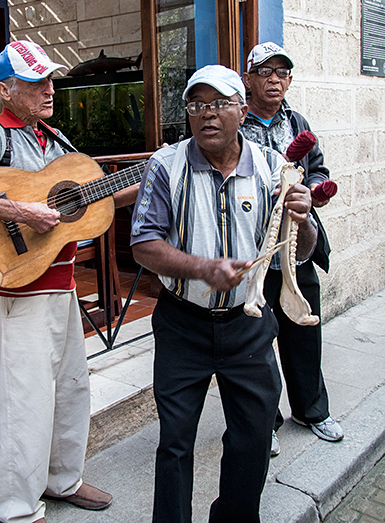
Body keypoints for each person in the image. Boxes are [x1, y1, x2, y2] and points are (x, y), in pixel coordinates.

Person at [0, 40, 138, 523]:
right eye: (35, 83)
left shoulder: (53, 139)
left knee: (71, 388)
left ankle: (62, 478)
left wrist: (159, 172)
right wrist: (18, 210)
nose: (49, 90)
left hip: (61, 287)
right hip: (18, 292)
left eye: (49, 80)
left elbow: (97, 199)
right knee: (26, 401)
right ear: (5, 90)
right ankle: (19, 509)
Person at [130, 64, 317, 523]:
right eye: (196, 105)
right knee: (175, 442)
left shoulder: (273, 168)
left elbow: (298, 250)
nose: (206, 115)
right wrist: (202, 267)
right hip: (182, 326)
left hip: (248, 327)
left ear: (241, 109)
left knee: (252, 437)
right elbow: (143, 246)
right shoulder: (165, 165)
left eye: (218, 104)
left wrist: (305, 218)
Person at [240, 41, 344, 457]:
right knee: (257, 339)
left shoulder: (297, 120)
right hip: (256, 247)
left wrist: (314, 191)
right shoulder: (236, 121)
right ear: (248, 78)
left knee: (304, 327)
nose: (275, 79)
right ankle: (265, 422)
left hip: (297, 242)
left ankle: (312, 411)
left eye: (282, 72)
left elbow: (316, 167)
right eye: (266, 72)